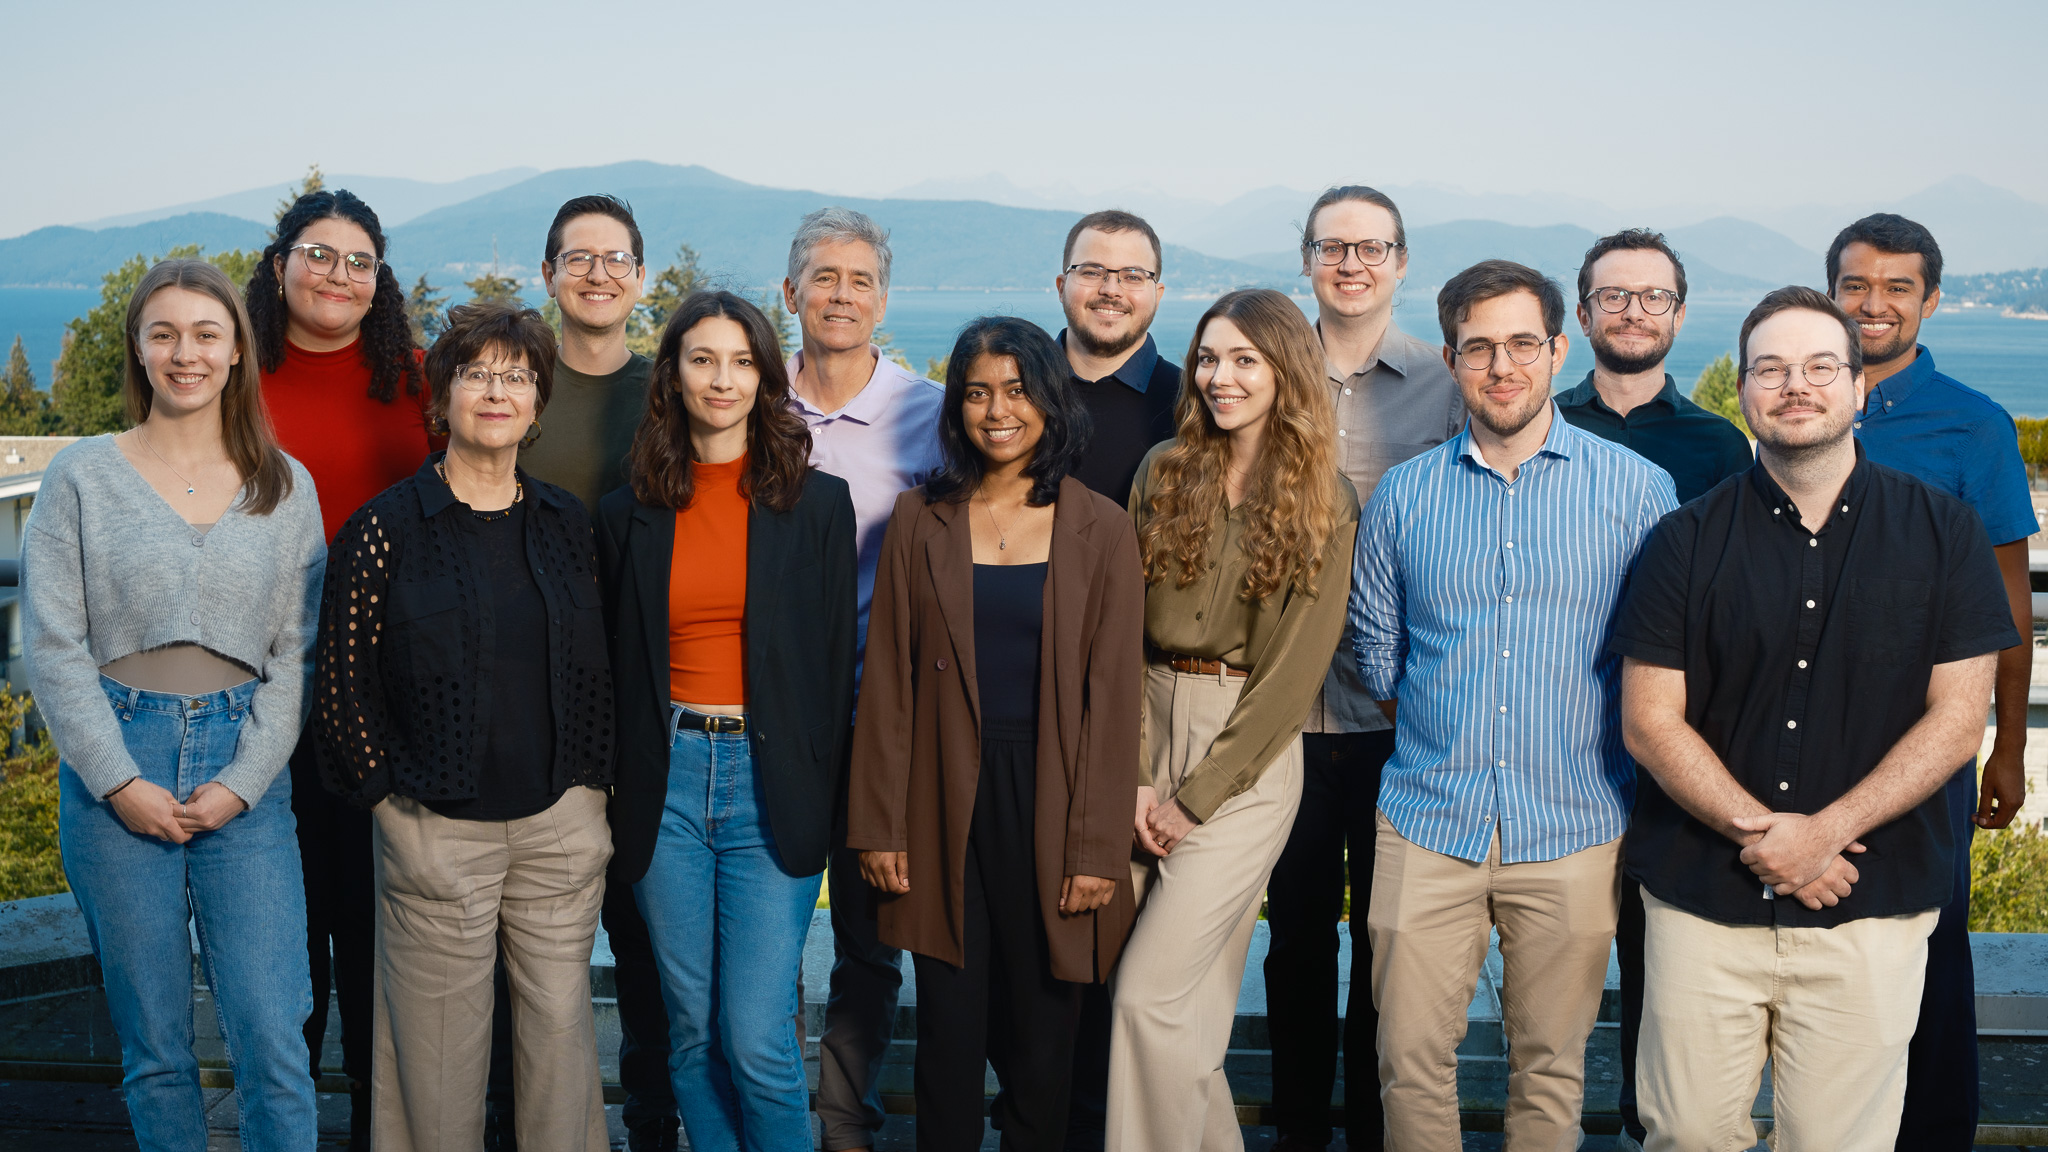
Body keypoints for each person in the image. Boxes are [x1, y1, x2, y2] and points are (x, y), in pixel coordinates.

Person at [1612, 285, 2014, 1151]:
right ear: (1745, 392)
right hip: (1700, 898)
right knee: (1682, 1133)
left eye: (1820, 366)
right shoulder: (1681, 539)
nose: (1797, 385)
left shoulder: (1946, 533)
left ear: (1859, 387)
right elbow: (1649, 722)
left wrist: (1826, 831)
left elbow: (1957, 719)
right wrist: (1772, 835)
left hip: (1872, 902)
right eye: (1772, 369)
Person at [1351, 260, 1676, 1152]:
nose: (1503, 365)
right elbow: (1379, 657)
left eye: (1523, 344)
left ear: (1557, 349)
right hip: (1426, 823)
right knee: (1408, 1062)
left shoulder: (1639, 494)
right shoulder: (1404, 497)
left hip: (1575, 824)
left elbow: (1661, 661)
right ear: (1452, 359)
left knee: (1552, 1068)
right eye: (1479, 347)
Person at [26, 258, 325, 1150]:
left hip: (247, 773)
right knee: (155, 1048)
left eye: (205, 333)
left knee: (274, 1035)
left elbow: (295, 657)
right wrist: (119, 781)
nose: (183, 353)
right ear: (139, 349)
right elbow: (53, 647)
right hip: (118, 764)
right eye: (164, 333)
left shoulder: (285, 485)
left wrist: (242, 783)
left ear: (237, 350)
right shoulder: (81, 478)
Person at [315, 301, 616, 1152]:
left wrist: (592, 794)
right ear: (440, 397)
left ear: (537, 403)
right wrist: (391, 809)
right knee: (434, 1067)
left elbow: (600, 667)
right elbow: (342, 687)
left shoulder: (568, 525)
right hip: (434, 828)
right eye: (475, 374)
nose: (496, 391)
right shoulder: (384, 530)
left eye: (515, 377)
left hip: (560, 828)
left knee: (561, 1046)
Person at [846, 316, 1143, 1150]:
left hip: (1054, 800)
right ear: (956, 408)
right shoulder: (918, 520)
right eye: (977, 392)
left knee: (1043, 1042)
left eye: (1017, 391)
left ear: (1049, 400)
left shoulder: (1103, 529)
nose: (997, 410)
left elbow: (1114, 703)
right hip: (943, 800)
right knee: (948, 1033)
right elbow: (890, 687)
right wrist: (879, 826)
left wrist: (1095, 850)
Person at [597, 290, 858, 1152]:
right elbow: (613, 669)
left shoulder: (817, 506)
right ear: (671, 374)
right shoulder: (625, 511)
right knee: (692, 1032)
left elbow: (830, 671)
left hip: (768, 785)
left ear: (765, 376)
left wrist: (828, 795)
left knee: (755, 1037)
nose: (723, 378)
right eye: (702, 359)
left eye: (742, 360)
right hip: (664, 782)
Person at [1111, 288, 1359, 1152]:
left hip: (1247, 755)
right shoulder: (1162, 470)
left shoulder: (1327, 498)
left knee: (1146, 999)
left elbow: (1293, 678)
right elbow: (1123, 636)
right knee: (1188, 1016)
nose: (1221, 377)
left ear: (1285, 370)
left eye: (1246, 359)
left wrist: (1193, 798)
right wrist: (1138, 776)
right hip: (1145, 725)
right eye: (1210, 358)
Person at [1825, 213, 2038, 1152]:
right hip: (1803, 738)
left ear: (1931, 300)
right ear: (1830, 292)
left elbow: (2007, 603)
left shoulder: (1974, 426)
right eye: (1856, 285)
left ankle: (1934, 1136)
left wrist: (2009, 747)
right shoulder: (1796, 402)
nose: (1874, 304)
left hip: (1929, 745)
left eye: (1897, 287)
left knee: (1932, 951)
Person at [1267, 185, 1462, 1152]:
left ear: (1401, 260)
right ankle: (1300, 1132)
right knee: (1296, 938)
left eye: (1371, 247)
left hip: (1405, 720)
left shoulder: (1447, 382)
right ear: (1305, 259)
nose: (1352, 263)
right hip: (1281, 719)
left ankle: (1384, 1136)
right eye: (1332, 246)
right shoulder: (1256, 370)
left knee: (1393, 948)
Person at [1552, 227, 1753, 1151]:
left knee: (1664, 956)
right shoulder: (1537, 422)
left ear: (1678, 312)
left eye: (1653, 297)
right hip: (1556, 731)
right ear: (1583, 311)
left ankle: (1646, 1130)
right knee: (1554, 958)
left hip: (1676, 736)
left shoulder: (1720, 446)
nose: (1633, 312)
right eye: (1614, 296)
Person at [246, 187, 434, 1146]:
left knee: (372, 933)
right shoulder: (228, 370)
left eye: (360, 261)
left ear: (379, 281)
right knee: (279, 939)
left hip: (381, 695)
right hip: (254, 690)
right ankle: (284, 1127)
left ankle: (375, 1124)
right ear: (279, 263)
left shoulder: (414, 376)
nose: (338, 275)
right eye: (319, 254)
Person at [781, 206, 947, 1152]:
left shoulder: (926, 413)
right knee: (763, 937)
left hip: (887, 723)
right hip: (775, 720)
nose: (841, 295)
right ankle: (767, 1114)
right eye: (824, 277)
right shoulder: (754, 405)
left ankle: (845, 1125)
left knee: (870, 945)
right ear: (791, 290)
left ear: (885, 298)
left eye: (860, 280)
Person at [520, 192, 671, 1152]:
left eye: (617, 259)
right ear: (548, 275)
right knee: (533, 956)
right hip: (527, 702)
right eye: (579, 258)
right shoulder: (510, 382)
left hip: (647, 701)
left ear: (642, 280)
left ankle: (656, 1127)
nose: (599, 273)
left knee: (652, 949)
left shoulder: (671, 389)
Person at [1055, 209, 1180, 503]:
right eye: (1091, 272)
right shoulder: (1016, 394)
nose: (1111, 290)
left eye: (1133, 276)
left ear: (1157, 295)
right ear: (1061, 287)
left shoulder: (1192, 404)